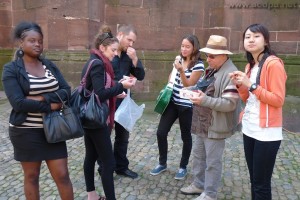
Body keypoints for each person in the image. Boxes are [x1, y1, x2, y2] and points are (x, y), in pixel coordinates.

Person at [1, 21, 73, 199]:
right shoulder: (11, 69)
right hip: (25, 132)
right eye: (32, 41)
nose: (37, 44)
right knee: (32, 177)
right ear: (21, 43)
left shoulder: (48, 65)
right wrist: (51, 105)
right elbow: (18, 103)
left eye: (40, 41)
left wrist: (41, 98)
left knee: (63, 175)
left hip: (54, 129)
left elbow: (66, 91)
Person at [229, 24, 287, 200]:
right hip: (250, 127)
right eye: (247, 37)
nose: (251, 39)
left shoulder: (273, 64)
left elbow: (278, 100)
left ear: (266, 41)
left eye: (256, 36)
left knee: (261, 184)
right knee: (254, 180)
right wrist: (240, 84)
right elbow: (249, 98)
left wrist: (251, 85)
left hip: (267, 133)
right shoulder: (250, 66)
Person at [180, 35, 240, 200]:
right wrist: (193, 90)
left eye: (212, 56)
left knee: (213, 162)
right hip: (203, 122)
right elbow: (205, 87)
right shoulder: (214, 68)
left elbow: (230, 104)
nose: (208, 59)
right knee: (199, 156)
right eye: (207, 55)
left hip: (216, 125)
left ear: (224, 55)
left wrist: (204, 99)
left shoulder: (230, 73)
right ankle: (199, 185)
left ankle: (210, 194)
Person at [82, 25, 134, 200]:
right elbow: (100, 93)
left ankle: (92, 196)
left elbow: (97, 90)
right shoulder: (98, 64)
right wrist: (121, 86)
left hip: (89, 118)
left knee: (90, 156)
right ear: (102, 48)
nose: (114, 54)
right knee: (109, 162)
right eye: (112, 50)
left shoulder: (93, 61)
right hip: (97, 121)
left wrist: (116, 91)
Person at [150, 34, 205, 180]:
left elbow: (189, 85)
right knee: (161, 132)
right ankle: (162, 163)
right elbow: (170, 78)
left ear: (194, 48)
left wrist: (181, 70)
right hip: (172, 103)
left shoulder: (199, 64)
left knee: (185, 136)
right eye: (182, 46)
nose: (184, 49)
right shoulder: (178, 59)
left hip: (187, 106)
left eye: (187, 46)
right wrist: (174, 75)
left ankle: (183, 166)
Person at [98, 24, 145, 179]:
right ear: (120, 35)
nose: (131, 44)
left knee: (123, 136)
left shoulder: (128, 55)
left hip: (124, 101)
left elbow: (141, 75)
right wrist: (120, 82)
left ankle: (121, 167)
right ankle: (104, 168)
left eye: (133, 42)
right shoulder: (106, 51)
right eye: (129, 40)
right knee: (104, 137)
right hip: (107, 100)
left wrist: (135, 59)